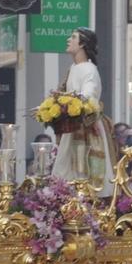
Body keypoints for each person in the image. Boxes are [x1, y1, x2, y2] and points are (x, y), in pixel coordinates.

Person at [51, 28, 116, 193]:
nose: (68, 40)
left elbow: (88, 95)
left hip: (85, 128)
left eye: (73, 37)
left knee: (83, 172)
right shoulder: (74, 67)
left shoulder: (89, 69)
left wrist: (66, 99)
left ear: (82, 44)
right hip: (72, 126)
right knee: (65, 169)